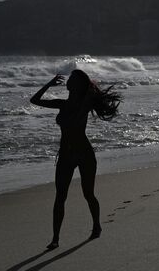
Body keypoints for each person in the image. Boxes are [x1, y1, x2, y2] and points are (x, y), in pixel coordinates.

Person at [30, 70, 122, 250]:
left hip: (84, 154)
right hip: (65, 155)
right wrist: (49, 84)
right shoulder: (62, 104)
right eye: (70, 78)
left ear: (79, 85)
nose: (69, 80)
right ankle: (55, 238)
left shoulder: (85, 103)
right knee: (60, 197)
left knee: (88, 194)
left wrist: (88, 91)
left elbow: (92, 96)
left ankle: (96, 225)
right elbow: (34, 100)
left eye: (73, 79)